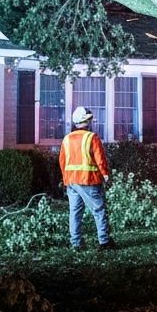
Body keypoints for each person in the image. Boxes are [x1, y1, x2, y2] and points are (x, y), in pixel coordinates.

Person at [59, 106, 116, 250]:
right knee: (99, 210)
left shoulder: (67, 139)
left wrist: (66, 179)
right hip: (88, 180)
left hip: (71, 181)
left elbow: (62, 161)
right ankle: (104, 242)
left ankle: (76, 243)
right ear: (88, 121)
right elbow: (100, 158)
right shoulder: (92, 137)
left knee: (75, 212)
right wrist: (105, 174)